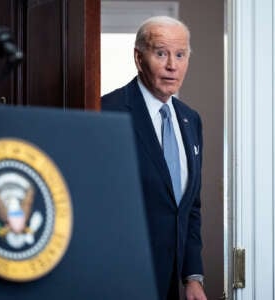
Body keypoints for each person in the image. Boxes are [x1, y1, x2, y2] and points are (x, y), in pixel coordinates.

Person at [101, 16, 207, 300]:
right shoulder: (106, 112)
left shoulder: (190, 120)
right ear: (139, 58)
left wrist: (192, 276)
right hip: (120, 281)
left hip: (173, 285)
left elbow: (190, 208)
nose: (172, 65)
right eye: (161, 53)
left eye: (180, 55)